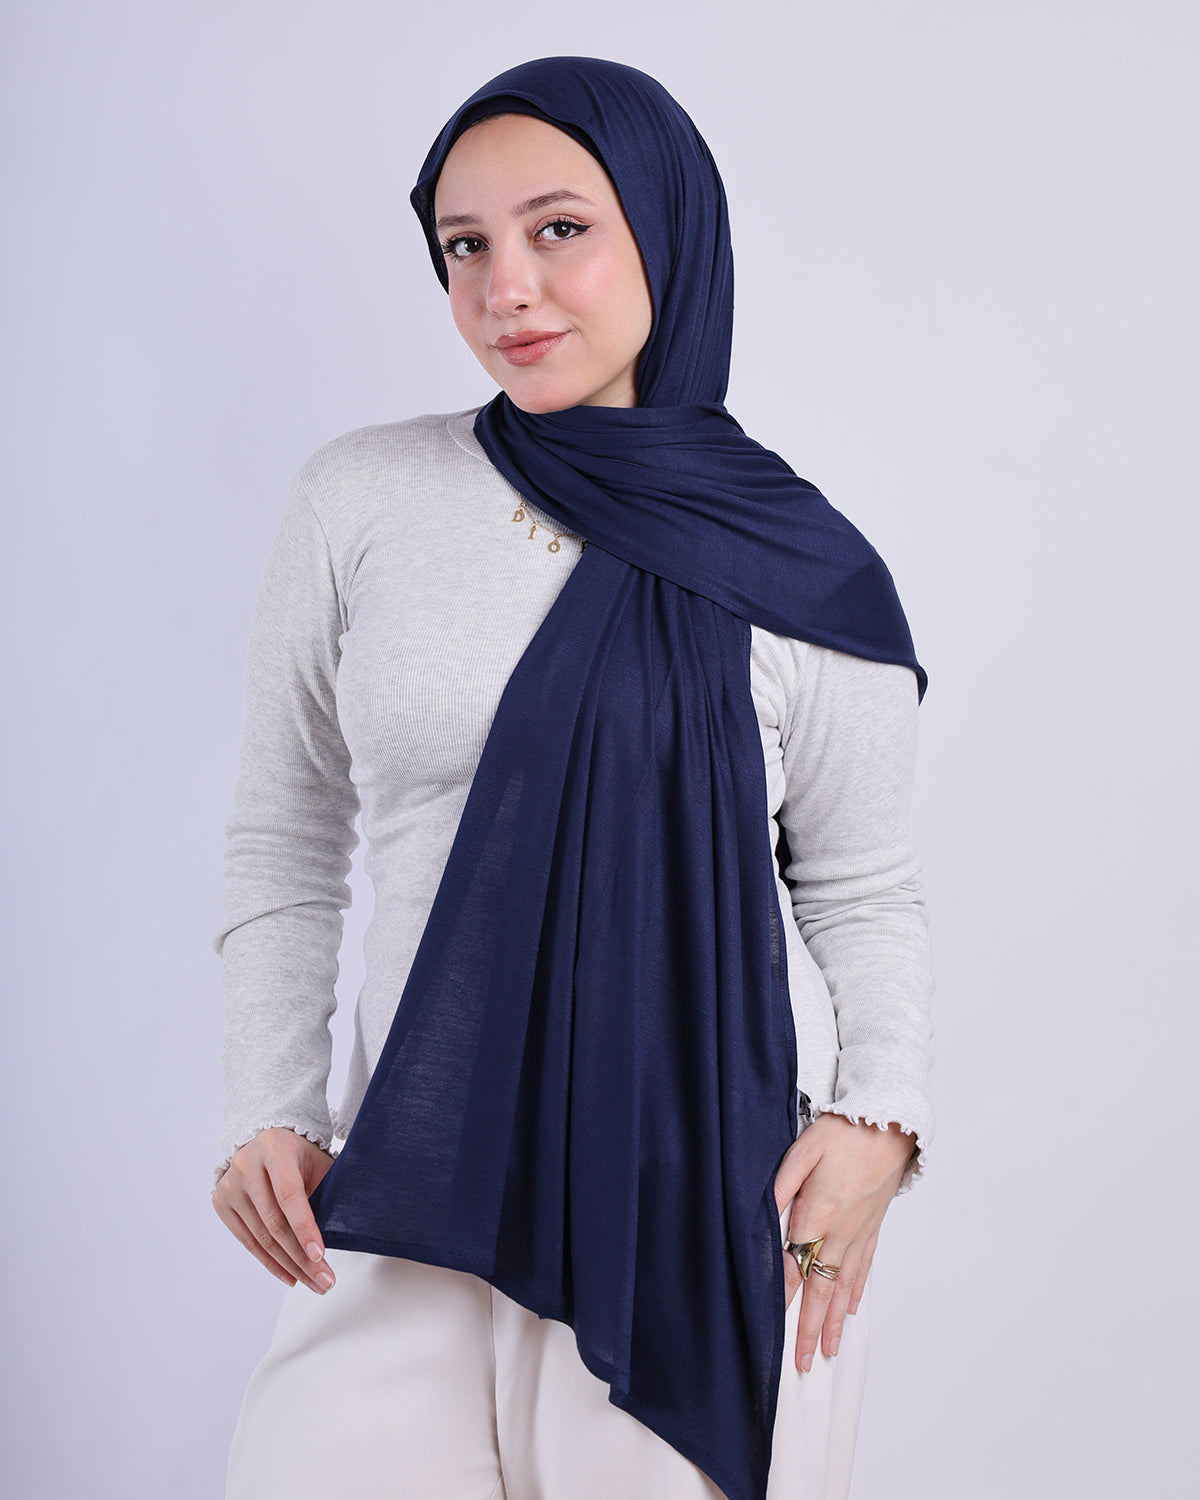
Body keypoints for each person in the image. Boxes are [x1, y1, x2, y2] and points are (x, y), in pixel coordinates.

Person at [212, 56, 933, 1500]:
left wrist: (881, 1125)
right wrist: (270, 1106)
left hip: (697, 1210)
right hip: (407, 1181)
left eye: (559, 230)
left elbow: (863, 886)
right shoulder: (362, 497)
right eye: (463, 246)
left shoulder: (800, 563)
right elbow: (286, 833)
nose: (507, 290)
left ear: (665, 227)